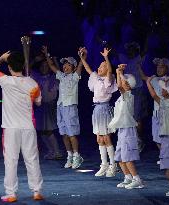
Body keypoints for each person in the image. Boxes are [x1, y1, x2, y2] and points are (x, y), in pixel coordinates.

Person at [0, 51, 43, 202]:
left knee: (11, 160)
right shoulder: (32, 83)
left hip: (11, 128)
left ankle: (11, 193)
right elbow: (38, 102)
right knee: (32, 159)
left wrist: (1, 58)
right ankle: (37, 191)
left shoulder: (5, 80)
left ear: (10, 67)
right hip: (28, 127)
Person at [42, 46, 84, 169]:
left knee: (71, 134)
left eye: (68, 65)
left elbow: (81, 66)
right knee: (64, 134)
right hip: (60, 107)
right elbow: (52, 66)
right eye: (64, 64)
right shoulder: (61, 76)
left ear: (74, 67)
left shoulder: (75, 76)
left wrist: (82, 56)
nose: (65, 66)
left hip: (70, 107)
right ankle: (69, 155)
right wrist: (46, 54)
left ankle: (77, 156)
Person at [80, 47, 118, 177]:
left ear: (108, 69)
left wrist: (106, 58)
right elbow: (88, 69)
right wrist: (82, 59)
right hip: (96, 109)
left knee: (106, 137)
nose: (100, 68)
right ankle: (104, 164)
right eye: (100, 66)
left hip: (104, 109)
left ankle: (113, 165)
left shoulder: (109, 79)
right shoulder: (96, 78)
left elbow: (109, 71)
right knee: (99, 138)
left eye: (103, 66)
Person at [108, 64, 144, 189]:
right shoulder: (122, 96)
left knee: (127, 157)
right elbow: (119, 86)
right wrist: (119, 73)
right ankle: (127, 177)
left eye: (123, 81)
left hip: (128, 130)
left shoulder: (128, 95)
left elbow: (119, 86)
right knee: (120, 158)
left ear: (128, 85)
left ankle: (136, 179)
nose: (121, 83)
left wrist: (118, 72)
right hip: (122, 130)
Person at [146, 76, 169, 196]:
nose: (161, 90)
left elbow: (153, 95)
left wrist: (148, 83)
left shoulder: (165, 103)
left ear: (168, 93)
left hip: (168, 137)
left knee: (168, 164)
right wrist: (166, 83)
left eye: (164, 89)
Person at [139, 58, 169, 164]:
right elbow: (143, 77)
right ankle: (163, 156)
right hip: (156, 113)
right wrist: (138, 65)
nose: (159, 68)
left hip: (166, 112)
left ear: (167, 68)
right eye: (158, 66)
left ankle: (168, 158)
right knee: (156, 137)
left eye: (161, 66)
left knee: (166, 137)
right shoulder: (154, 79)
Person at [31, 54, 62, 160]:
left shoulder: (54, 78)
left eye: (46, 66)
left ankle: (57, 151)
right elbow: (27, 71)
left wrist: (55, 62)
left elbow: (59, 73)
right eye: (42, 66)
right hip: (40, 106)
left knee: (49, 130)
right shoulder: (37, 77)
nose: (44, 68)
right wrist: (35, 60)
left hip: (50, 106)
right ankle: (51, 151)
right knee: (41, 130)